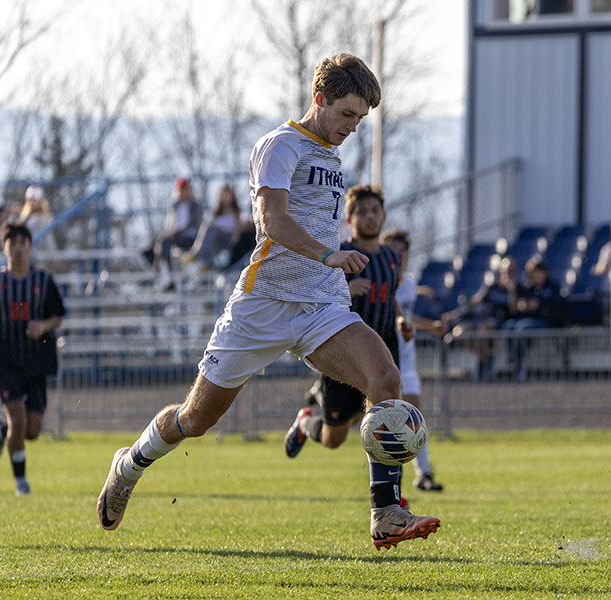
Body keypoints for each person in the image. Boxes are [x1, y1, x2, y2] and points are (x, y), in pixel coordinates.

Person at [96, 53, 440, 550]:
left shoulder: (331, 153)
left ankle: (385, 511)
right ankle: (129, 465)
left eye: (360, 120)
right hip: (262, 306)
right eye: (347, 114)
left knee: (386, 379)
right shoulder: (280, 146)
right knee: (195, 420)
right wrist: (330, 255)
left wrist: (333, 268)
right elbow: (273, 221)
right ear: (319, 99)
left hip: (320, 306)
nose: (352, 127)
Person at [282, 185, 411, 467]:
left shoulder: (392, 258)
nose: (370, 217)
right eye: (361, 212)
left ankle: (393, 498)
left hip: (385, 346)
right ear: (349, 220)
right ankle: (306, 424)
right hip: (345, 349)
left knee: (387, 417)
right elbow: (318, 297)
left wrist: (401, 319)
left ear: (384, 215)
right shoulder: (339, 253)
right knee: (334, 438)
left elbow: (391, 297)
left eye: (374, 211)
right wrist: (349, 290)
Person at [0, 223, 66, 495]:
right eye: (12, 242)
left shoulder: (43, 281)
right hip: (7, 360)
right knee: (19, 420)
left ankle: (0, 432)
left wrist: (44, 327)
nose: (18, 247)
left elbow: (58, 314)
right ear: (5, 247)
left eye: (23, 241)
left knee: (33, 430)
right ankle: (21, 483)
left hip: (36, 361)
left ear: (30, 246)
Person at [381, 228, 446, 492]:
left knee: (414, 415)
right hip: (379, 359)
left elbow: (407, 319)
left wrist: (431, 326)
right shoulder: (377, 281)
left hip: (405, 362)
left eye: (402, 251)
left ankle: (424, 473)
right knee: (345, 426)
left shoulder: (408, 284)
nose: (399, 256)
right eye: (393, 251)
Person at [181, 184, 242, 269]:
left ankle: (196, 254)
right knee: (208, 229)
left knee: (210, 229)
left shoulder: (236, 211)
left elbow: (237, 228)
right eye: (223, 195)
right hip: (216, 238)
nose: (225, 197)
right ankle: (207, 263)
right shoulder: (217, 211)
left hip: (227, 238)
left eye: (227, 195)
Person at [151, 178, 202, 275]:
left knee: (164, 241)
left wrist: (175, 233)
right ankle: (165, 271)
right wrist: (169, 233)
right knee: (160, 242)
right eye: (181, 189)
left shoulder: (195, 205)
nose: (184, 192)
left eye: (185, 189)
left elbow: (194, 223)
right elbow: (171, 224)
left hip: (191, 237)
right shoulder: (174, 206)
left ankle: (163, 270)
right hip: (176, 237)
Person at [18, 186, 55, 250]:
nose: (32, 203)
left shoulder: (45, 217)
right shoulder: (24, 217)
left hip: (43, 251)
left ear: (40, 200)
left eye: (34, 200)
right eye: (30, 200)